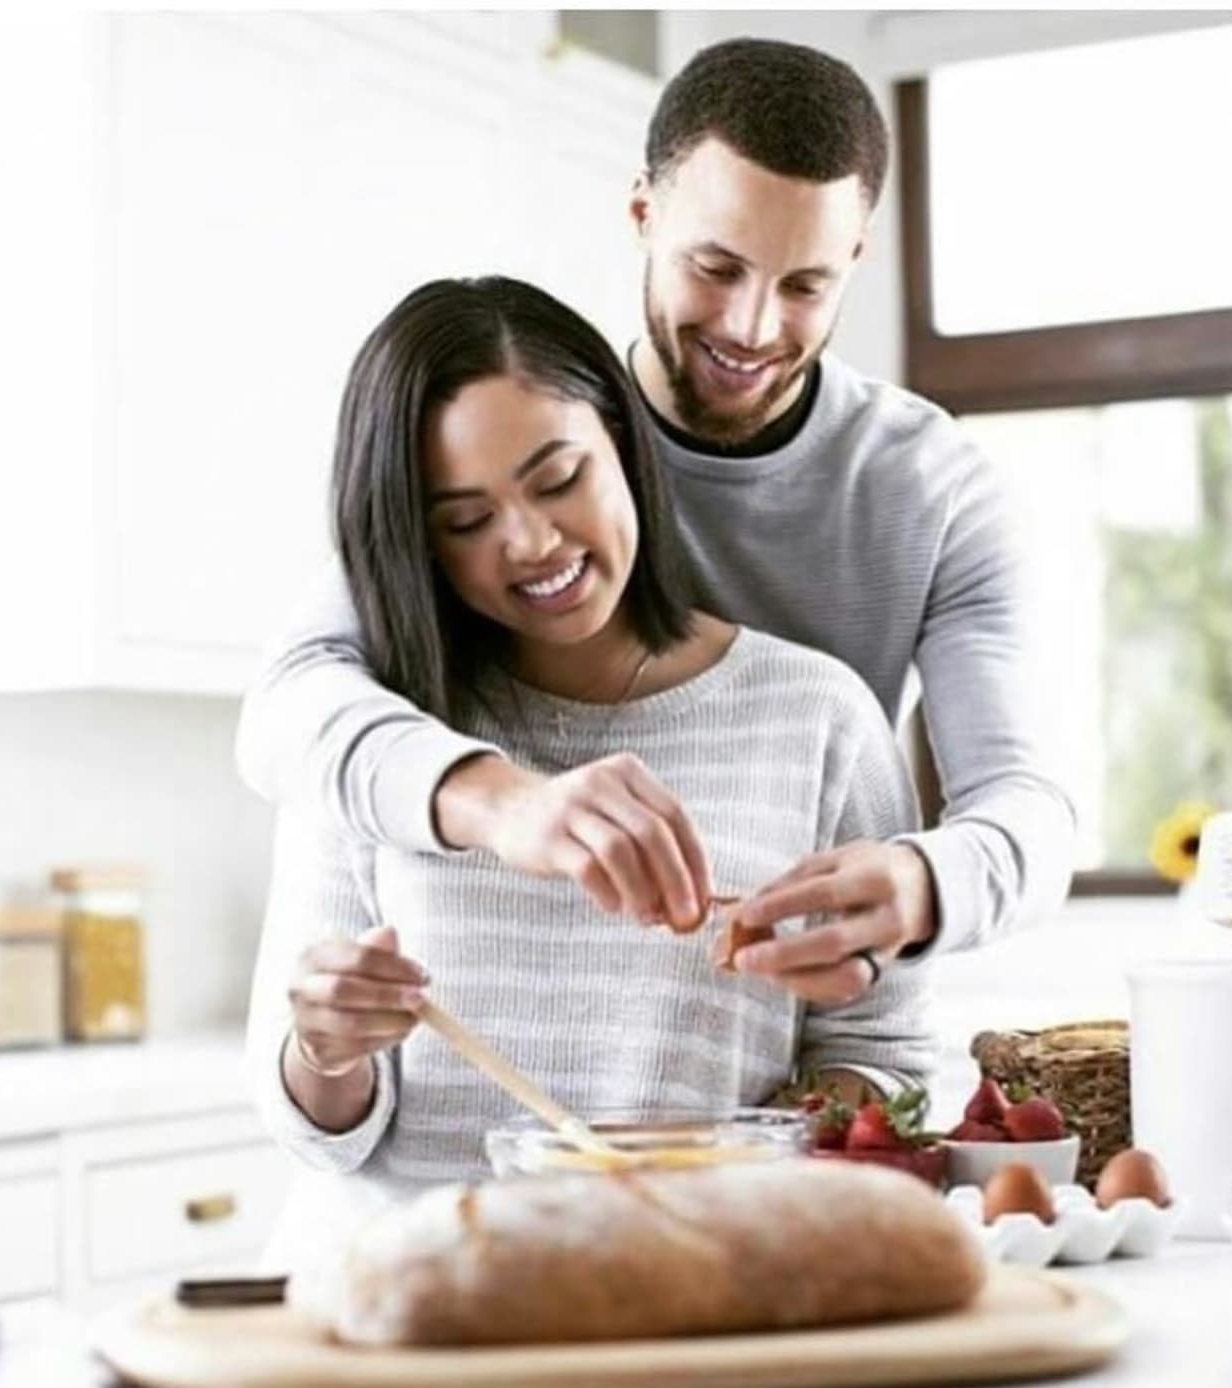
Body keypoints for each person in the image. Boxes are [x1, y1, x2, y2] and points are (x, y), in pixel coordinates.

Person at [237, 37, 1075, 1014]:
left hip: (755, 1037)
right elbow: (285, 709)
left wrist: (921, 884)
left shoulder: (934, 491)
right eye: (716, 267)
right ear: (643, 211)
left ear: (858, 255)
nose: (754, 328)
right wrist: (503, 802)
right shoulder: (532, 423)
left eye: (805, 285)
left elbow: (1028, 813)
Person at [247, 277, 932, 1258]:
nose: (529, 543)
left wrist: (757, 1151)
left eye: (558, 478)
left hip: (685, 1285)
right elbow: (314, 1126)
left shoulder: (814, 717)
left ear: (624, 441)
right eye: (464, 521)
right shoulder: (376, 738)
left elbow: (886, 1055)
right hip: (402, 1303)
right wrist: (325, 1044)